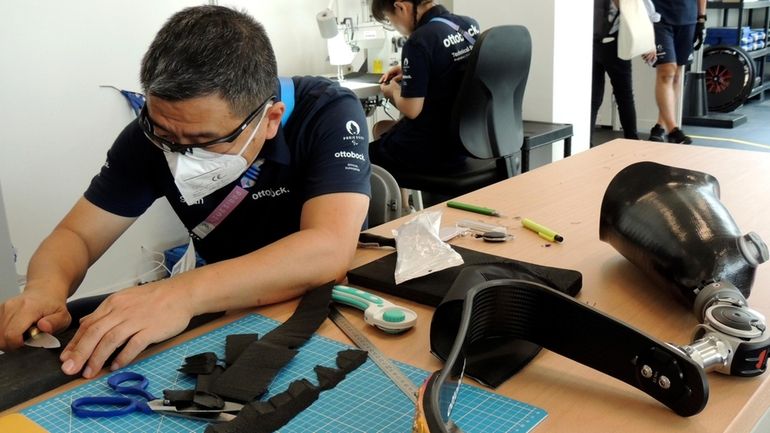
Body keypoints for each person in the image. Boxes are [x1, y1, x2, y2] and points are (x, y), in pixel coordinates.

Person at [0, 6, 371, 379]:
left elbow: (328, 248)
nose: (178, 153)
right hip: (224, 304)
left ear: (270, 119)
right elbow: (77, 235)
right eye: (165, 135)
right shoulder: (150, 136)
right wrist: (44, 288)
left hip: (324, 305)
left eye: (204, 141)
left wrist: (181, 293)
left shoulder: (327, 111)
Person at [368, 0, 479, 174]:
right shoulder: (468, 25)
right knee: (382, 129)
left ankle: (400, 202)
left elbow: (412, 110)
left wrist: (393, 91)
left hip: (432, 148)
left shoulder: (419, 41)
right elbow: (454, 70)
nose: (395, 27)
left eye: (390, 20)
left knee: (364, 157)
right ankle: (404, 202)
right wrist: (413, 71)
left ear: (401, 7)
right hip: (466, 142)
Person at [591, 0, 659, 144]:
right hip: (614, 44)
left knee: (593, 97)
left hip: (591, 41)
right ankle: (631, 140)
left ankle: (586, 141)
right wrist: (649, 42)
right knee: (624, 95)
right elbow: (643, 11)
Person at [648, 0, 707, 144]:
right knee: (667, 71)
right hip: (658, 17)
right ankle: (673, 130)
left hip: (687, 17)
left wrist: (701, 18)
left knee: (676, 74)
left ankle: (660, 126)